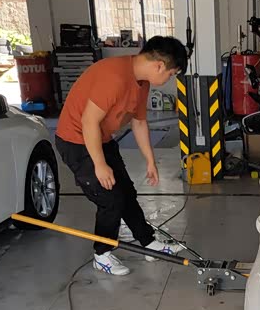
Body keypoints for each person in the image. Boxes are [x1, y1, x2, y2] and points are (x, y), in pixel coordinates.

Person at [55, 35, 188, 277]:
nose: (169, 79)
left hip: (101, 138)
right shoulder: (114, 77)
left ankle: (148, 243)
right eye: (171, 74)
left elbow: (139, 122)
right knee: (110, 198)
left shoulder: (142, 82)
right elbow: (88, 122)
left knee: (126, 192)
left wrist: (150, 160)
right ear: (159, 65)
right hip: (77, 141)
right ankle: (102, 254)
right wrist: (99, 164)